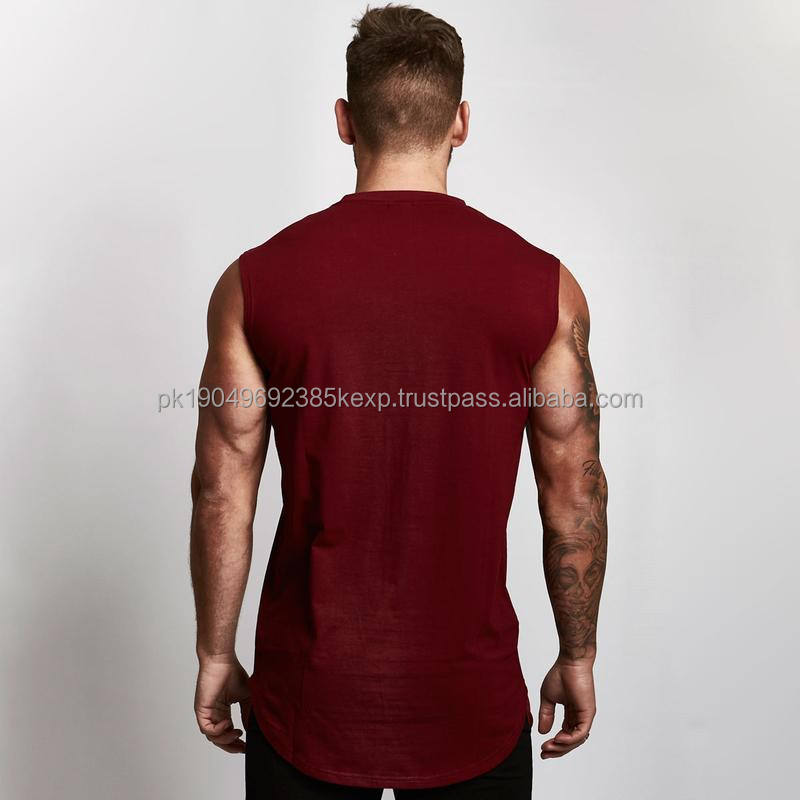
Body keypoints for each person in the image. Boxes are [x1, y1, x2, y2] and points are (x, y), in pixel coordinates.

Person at [190, 5, 607, 798]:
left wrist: (215, 653)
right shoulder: (546, 288)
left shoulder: (255, 282)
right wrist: (578, 654)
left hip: (308, 699)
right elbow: (575, 494)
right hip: (470, 702)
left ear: (345, 121)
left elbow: (222, 489)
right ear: (461, 123)